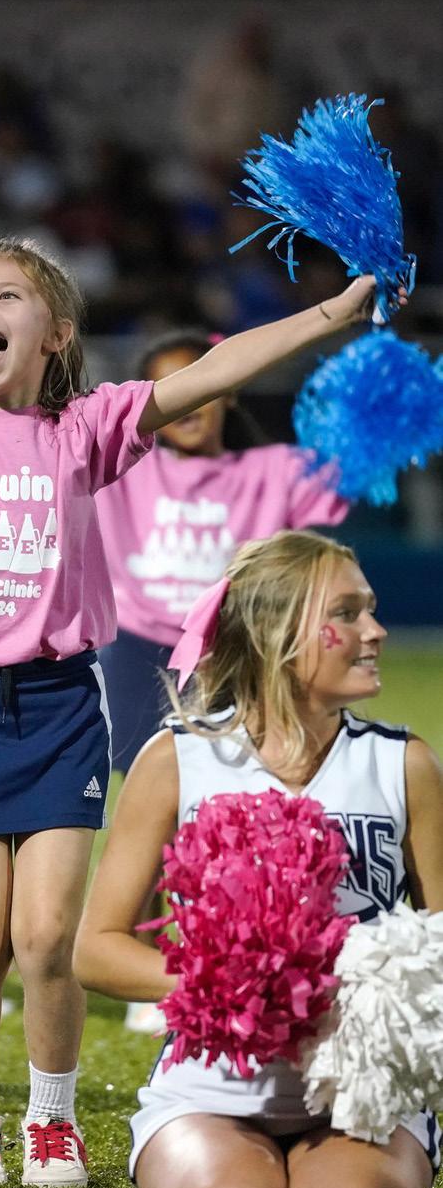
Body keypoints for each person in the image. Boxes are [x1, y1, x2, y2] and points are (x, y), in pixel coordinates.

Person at [0, 232, 378, 1188]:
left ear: (56, 334)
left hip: (61, 707)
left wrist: (327, 316)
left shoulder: (87, 429)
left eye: (7, 296)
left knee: (47, 938)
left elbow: (214, 374)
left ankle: (51, 1117)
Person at [75, 529, 442, 1188]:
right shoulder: (178, 758)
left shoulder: (402, 763)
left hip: (362, 1090)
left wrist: (374, 985)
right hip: (209, 1086)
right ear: (278, 634)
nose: (376, 631)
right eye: (348, 613)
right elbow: (97, 948)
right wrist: (229, 990)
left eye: (371, 610)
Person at [95, 325, 351, 1034]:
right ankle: (143, 965)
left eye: (201, 385)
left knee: (233, 801)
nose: (190, 402)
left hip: (230, 649)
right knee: (149, 804)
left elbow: (349, 468)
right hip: (138, 647)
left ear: (226, 391)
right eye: (171, 388)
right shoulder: (124, 468)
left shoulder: (272, 470)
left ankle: (230, 949)